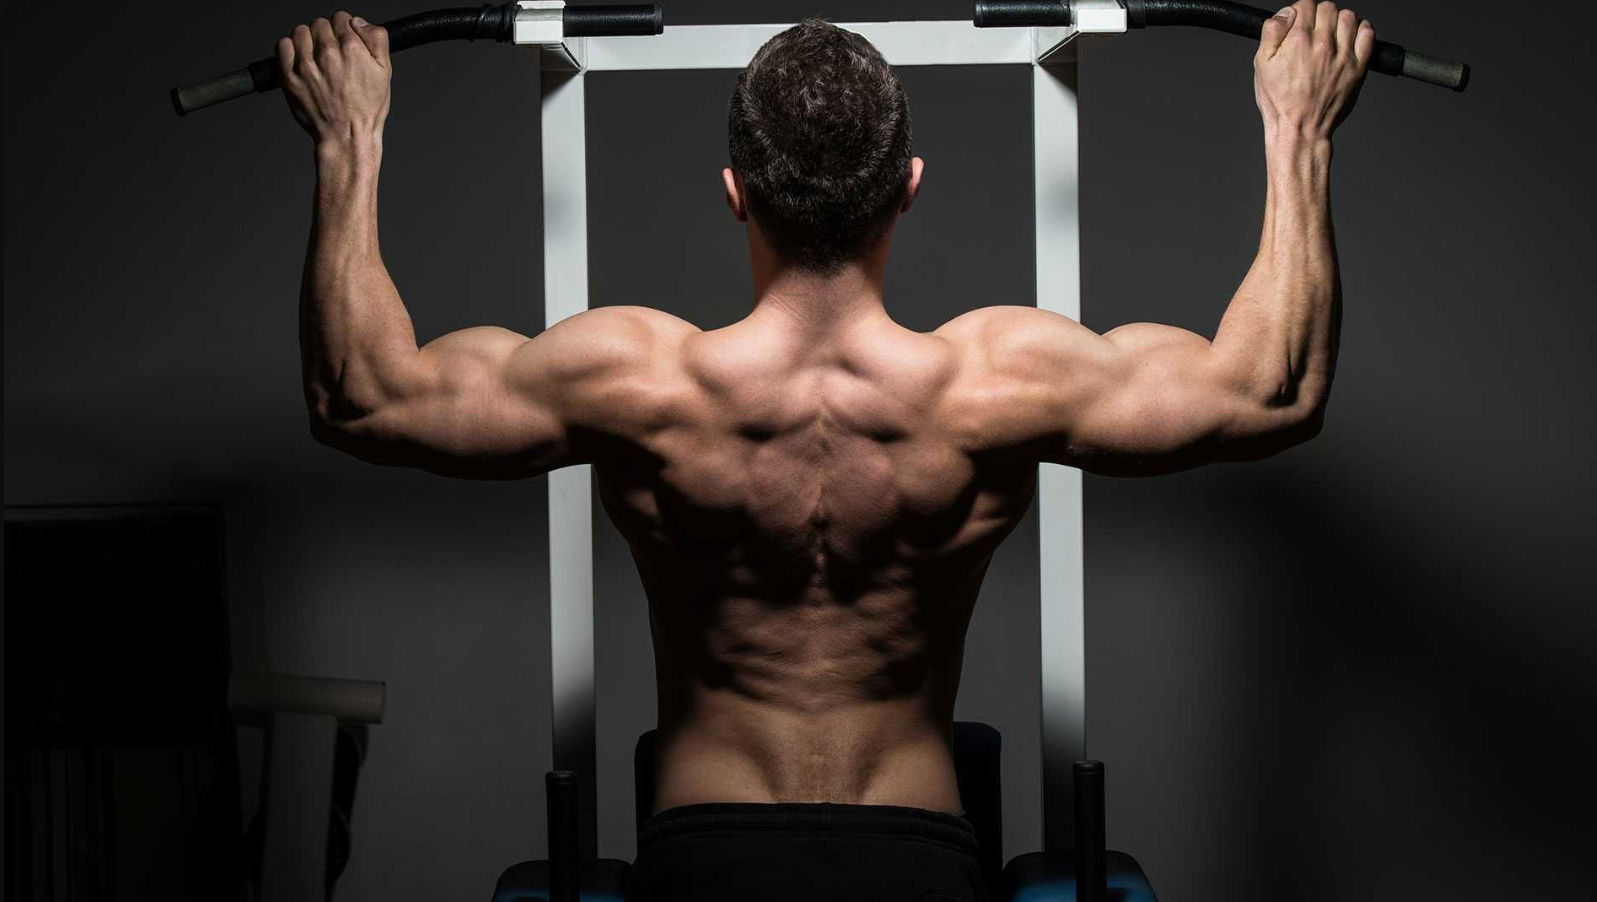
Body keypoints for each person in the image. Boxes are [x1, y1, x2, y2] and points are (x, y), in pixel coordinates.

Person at [278, 3, 1372, 899]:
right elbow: (1272, 387)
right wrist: (1296, 130)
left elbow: (359, 395)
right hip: (916, 854)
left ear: (733, 191)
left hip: (706, 856)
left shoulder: (637, 379)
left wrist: (350, 138)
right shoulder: (994, 381)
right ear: (907, 184)